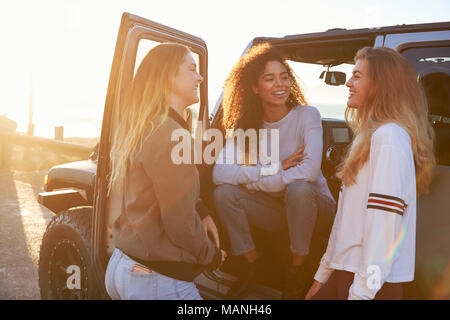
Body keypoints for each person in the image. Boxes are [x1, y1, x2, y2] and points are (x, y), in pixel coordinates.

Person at [305, 47, 435, 300]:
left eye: (356, 76)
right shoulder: (370, 137)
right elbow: (344, 222)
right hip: (347, 274)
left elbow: (383, 231)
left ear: (380, 85)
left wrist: (361, 295)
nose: (348, 83)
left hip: (371, 286)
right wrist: (323, 275)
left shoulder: (389, 138)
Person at [212, 43, 336, 299]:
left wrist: (258, 182)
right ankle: (251, 263)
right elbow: (219, 174)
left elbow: (309, 173)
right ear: (255, 88)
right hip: (277, 210)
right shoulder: (246, 127)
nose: (280, 84)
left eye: (284, 77)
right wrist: (273, 168)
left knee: (299, 189)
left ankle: (297, 270)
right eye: (270, 78)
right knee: (224, 194)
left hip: (316, 206)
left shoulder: (307, 115)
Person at [104, 43, 226, 300]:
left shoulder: (146, 125)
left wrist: (201, 210)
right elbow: (180, 223)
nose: (200, 77)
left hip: (123, 265)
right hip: (157, 281)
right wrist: (211, 256)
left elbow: (158, 191)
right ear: (167, 76)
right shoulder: (170, 134)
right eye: (192, 69)